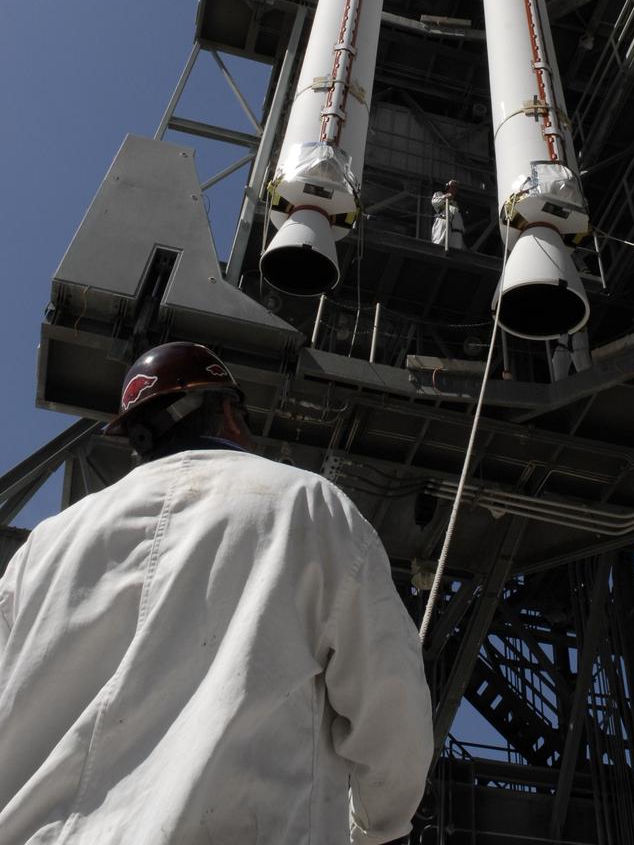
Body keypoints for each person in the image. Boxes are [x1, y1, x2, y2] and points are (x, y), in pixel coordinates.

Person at [0, 342, 433, 845]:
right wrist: (379, 825)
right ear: (228, 414)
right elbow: (390, 704)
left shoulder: (42, 548)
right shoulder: (304, 506)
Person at [430, 180, 465, 249]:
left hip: (455, 226)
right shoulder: (439, 194)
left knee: (456, 244)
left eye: (456, 188)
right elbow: (434, 202)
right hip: (444, 219)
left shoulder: (456, 202)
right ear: (447, 187)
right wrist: (445, 197)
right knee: (440, 242)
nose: (454, 189)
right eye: (452, 187)